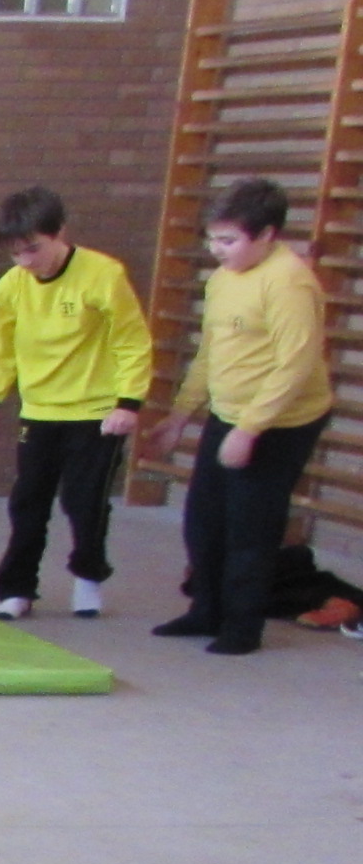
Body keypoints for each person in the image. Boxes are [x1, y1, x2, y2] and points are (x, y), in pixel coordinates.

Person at [148, 176, 332, 656]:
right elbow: (211, 352)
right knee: (203, 518)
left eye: (228, 241)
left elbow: (296, 365)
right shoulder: (223, 278)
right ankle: (206, 609)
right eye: (213, 238)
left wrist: (250, 429)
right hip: (229, 412)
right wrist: (182, 414)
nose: (217, 250)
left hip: (282, 421)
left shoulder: (289, 282)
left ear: (267, 235)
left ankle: (242, 625)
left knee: (250, 525)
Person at [0, 187, 152, 620]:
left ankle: (88, 576)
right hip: (39, 410)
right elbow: (1, 350)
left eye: (33, 249)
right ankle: (17, 590)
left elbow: (131, 341)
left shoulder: (103, 274)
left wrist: (128, 403)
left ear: (60, 233)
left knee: (84, 502)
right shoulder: (12, 286)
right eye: (15, 253)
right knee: (28, 502)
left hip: (96, 412)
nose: (26, 261)